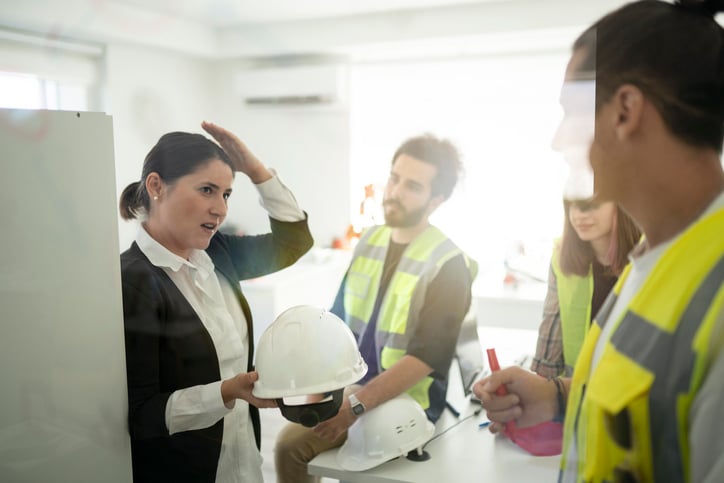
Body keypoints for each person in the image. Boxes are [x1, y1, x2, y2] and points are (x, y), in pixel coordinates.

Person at [474, 1, 724, 481]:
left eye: (570, 112)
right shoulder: (650, 263)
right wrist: (556, 398)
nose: (555, 140)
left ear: (626, 111)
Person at [274, 134, 477, 483]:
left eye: (412, 186)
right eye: (394, 178)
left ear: (436, 200)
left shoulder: (448, 264)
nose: (394, 191)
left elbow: (425, 358)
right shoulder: (370, 240)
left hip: (407, 398)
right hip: (352, 382)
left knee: (288, 446)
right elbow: (335, 323)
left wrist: (354, 406)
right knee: (292, 413)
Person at [119, 121, 314, 483]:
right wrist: (226, 392)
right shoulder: (133, 281)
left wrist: (255, 170)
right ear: (156, 186)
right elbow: (142, 414)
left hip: (243, 458)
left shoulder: (217, 253)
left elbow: (293, 242)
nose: (220, 209)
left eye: (226, 194)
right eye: (207, 190)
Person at [531, 199, 641, 377]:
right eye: (573, 203)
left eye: (594, 202)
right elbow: (547, 363)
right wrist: (532, 390)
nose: (580, 214)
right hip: (575, 395)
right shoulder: (561, 259)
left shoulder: (648, 261)